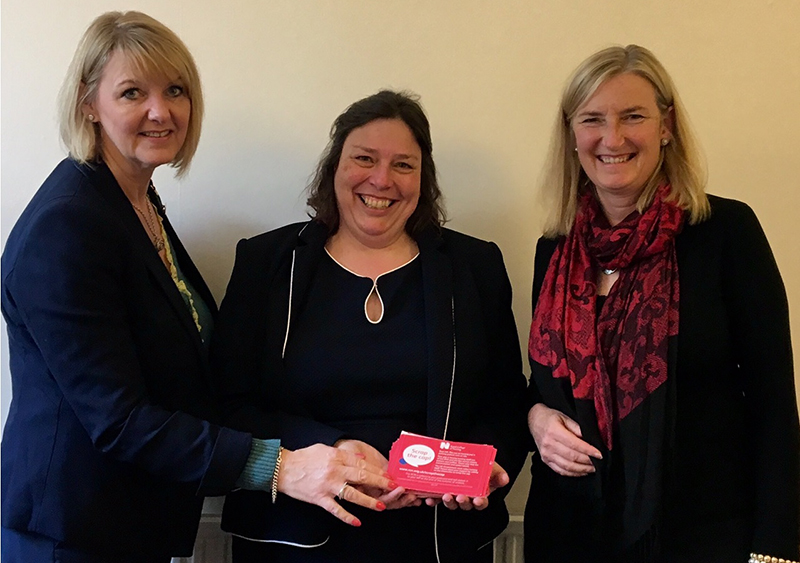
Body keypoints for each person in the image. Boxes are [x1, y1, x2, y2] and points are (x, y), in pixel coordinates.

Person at [0, 12, 391, 563]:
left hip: (132, 521)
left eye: (176, 90)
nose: (161, 111)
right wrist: (280, 467)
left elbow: (184, 375)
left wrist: (313, 443)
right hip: (73, 533)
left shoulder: (136, 202)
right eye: (133, 92)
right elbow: (120, 420)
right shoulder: (69, 226)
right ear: (89, 102)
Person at [212, 89, 530, 563]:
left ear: (423, 178)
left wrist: (483, 470)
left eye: (403, 164)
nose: (381, 180)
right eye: (364, 158)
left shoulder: (474, 266)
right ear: (334, 167)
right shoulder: (267, 263)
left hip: (438, 537)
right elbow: (225, 403)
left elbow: (505, 401)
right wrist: (334, 450)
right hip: (293, 538)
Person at [524, 44, 800, 563]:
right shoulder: (555, 250)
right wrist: (535, 417)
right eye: (592, 119)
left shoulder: (726, 233)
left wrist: (776, 548)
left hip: (703, 533)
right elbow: (539, 389)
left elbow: (773, 402)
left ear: (666, 125)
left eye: (633, 116)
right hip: (568, 532)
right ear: (571, 135)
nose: (613, 138)